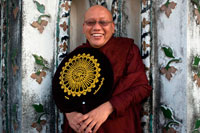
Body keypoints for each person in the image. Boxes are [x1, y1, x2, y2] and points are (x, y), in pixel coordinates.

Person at [63, 5, 152, 133]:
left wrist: (109, 107)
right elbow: (62, 92)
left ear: (113, 27)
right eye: (90, 23)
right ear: (83, 28)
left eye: (103, 22)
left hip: (118, 126)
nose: (97, 27)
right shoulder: (77, 55)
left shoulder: (127, 49)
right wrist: (69, 112)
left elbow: (141, 88)